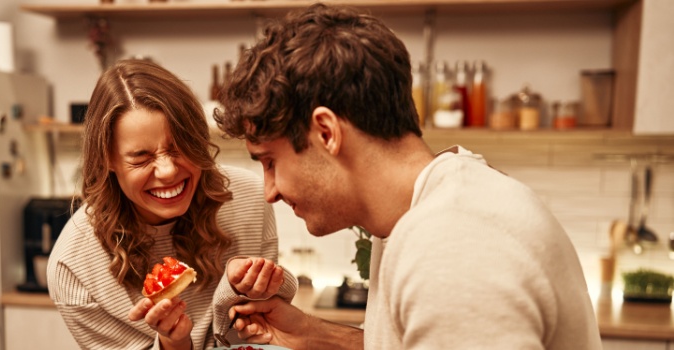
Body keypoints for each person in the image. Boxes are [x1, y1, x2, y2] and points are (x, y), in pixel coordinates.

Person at [214, 3, 601, 349]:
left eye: (269, 162)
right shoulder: (427, 207)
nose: (270, 192)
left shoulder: (450, 244)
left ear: (327, 134)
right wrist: (314, 334)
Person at [47, 58, 298, 350]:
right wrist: (173, 344)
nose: (167, 171)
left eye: (179, 147)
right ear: (107, 160)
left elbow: (266, 328)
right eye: (141, 158)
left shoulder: (249, 196)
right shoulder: (74, 267)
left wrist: (260, 284)